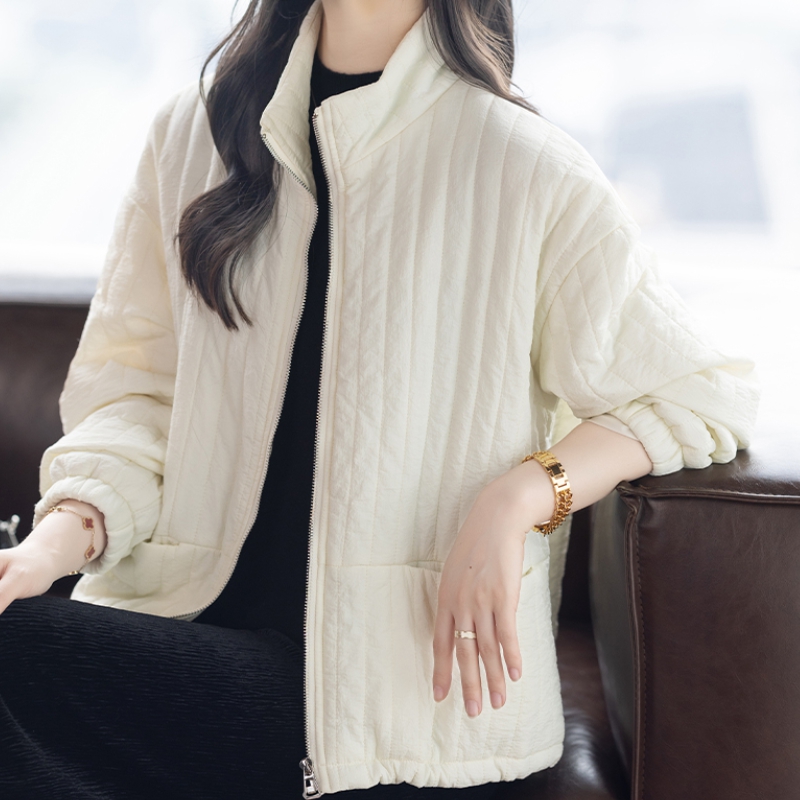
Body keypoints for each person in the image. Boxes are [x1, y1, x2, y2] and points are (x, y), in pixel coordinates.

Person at [0, 1, 759, 798]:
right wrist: (56, 541)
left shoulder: (522, 167)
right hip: (197, 638)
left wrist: (523, 496)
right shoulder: (195, 136)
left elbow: (697, 394)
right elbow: (138, 395)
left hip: (396, 709)